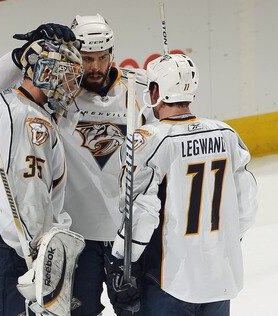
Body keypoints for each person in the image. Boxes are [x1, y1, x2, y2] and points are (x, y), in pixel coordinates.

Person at [0, 15, 153, 315]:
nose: (95, 67)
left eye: (102, 57)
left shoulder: (140, 88)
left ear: (113, 53)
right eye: (86, 59)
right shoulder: (57, 94)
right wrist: (22, 54)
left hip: (128, 235)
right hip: (76, 239)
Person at [110, 53, 258, 316]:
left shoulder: (150, 140)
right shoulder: (226, 134)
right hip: (220, 279)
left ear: (156, 91)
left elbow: (142, 212)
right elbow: (246, 207)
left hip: (170, 281)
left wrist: (122, 260)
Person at [0, 36, 84, 315]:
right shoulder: (31, 121)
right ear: (47, 73)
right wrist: (38, 263)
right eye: (68, 76)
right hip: (3, 253)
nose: (72, 87)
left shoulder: (5, 100)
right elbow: (26, 198)